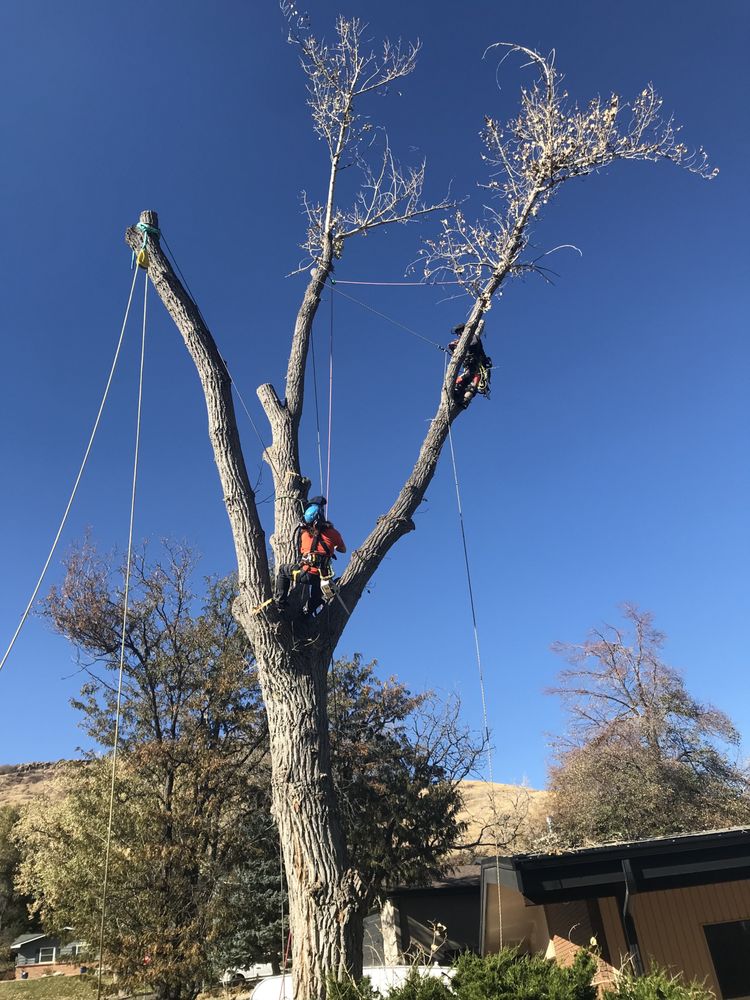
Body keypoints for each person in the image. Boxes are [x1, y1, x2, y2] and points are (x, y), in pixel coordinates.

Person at [275, 496, 346, 615]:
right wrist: (332, 547)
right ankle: (307, 614)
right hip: (322, 577)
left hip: (305, 573)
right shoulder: (334, 534)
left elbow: (301, 549)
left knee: (283, 570)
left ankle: (280, 603)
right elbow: (343, 550)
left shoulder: (304, 534)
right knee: (316, 597)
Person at [447, 323, 492, 408]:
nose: (458, 335)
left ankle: (464, 400)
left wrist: (459, 344)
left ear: (464, 331)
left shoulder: (472, 337)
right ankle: (459, 398)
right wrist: (454, 348)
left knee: (468, 384)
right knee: (462, 384)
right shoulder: (465, 341)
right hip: (470, 367)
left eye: (459, 332)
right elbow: (459, 354)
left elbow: (473, 344)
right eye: (457, 333)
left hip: (475, 366)